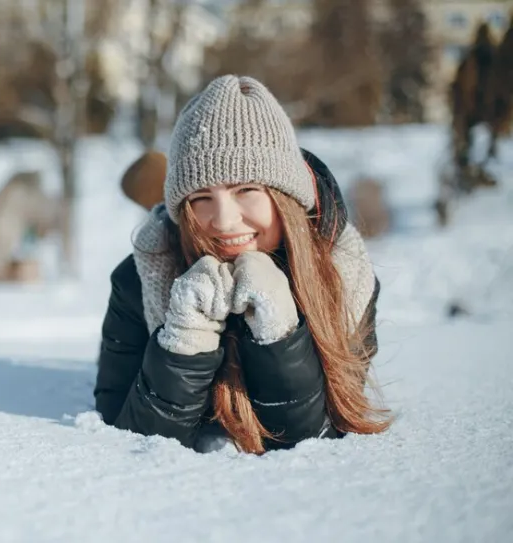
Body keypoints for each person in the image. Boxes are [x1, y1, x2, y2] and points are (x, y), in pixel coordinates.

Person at [94, 75, 392, 454]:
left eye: (246, 189)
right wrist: (182, 344)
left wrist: (281, 336)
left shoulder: (344, 275)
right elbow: (123, 440)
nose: (224, 220)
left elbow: (318, 444)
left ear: (284, 196)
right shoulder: (140, 277)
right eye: (201, 196)